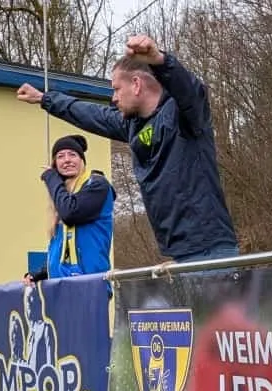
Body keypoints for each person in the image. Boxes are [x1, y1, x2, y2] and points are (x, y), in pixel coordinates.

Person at [16, 34, 240, 264]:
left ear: (136, 84)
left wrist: (160, 60)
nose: (113, 98)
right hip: (178, 251)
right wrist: (45, 99)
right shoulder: (131, 125)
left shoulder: (183, 115)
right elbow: (90, 114)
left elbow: (192, 91)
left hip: (209, 248)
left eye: (116, 89)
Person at [23, 134, 116, 286]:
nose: (67, 160)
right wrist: (41, 273)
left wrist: (52, 179)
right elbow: (64, 248)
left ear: (82, 160)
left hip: (89, 284)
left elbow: (70, 213)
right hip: (61, 285)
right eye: (60, 156)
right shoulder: (63, 197)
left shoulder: (97, 185)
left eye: (72, 155)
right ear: (55, 164)